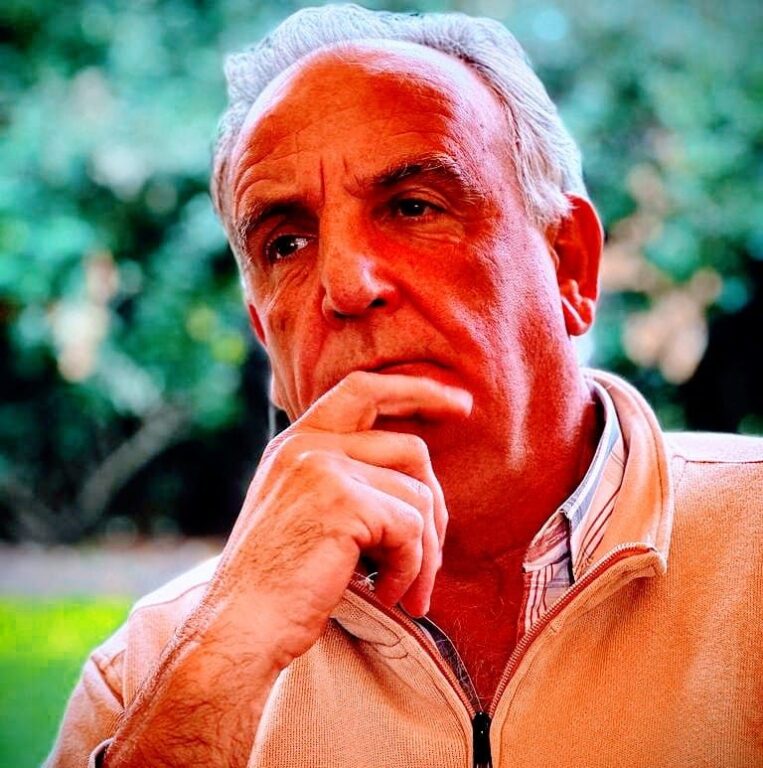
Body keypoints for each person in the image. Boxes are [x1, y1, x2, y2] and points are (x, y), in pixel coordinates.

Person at [46, 5, 762, 767]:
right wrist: (224, 658)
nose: (346, 285)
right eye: (286, 243)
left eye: (413, 207)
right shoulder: (146, 676)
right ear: (267, 339)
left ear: (569, 266)